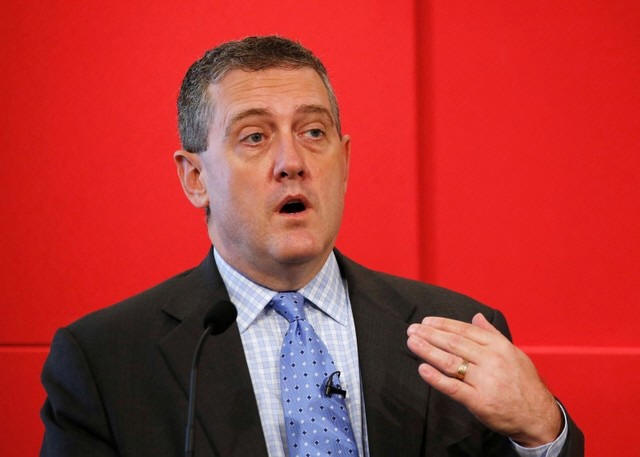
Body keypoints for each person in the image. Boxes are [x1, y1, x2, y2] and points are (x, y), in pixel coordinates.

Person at [40, 36, 583, 457]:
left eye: (314, 132)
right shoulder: (105, 362)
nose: (292, 162)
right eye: (255, 136)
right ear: (195, 178)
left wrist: (540, 430)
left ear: (344, 162)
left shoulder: (459, 334)